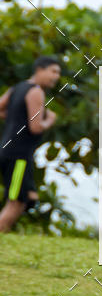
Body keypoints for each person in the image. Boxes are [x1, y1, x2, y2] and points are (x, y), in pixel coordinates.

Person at [0, 56, 61, 232]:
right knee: (16, 202)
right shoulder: (36, 92)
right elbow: (36, 127)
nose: (56, 77)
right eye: (53, 71)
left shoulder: (16, 88)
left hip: (8, 151)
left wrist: (15, 117)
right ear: (40, 70)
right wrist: (49, 120)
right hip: (18, 155)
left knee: (29, 196)